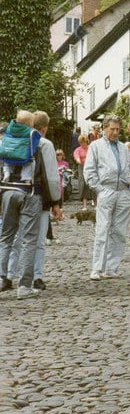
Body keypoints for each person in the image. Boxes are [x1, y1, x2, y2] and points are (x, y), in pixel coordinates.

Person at [0, 110, 62, 298]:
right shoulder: (40, 142)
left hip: (8, 192)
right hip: (30, 193)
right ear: (32, 124)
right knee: (29, 240)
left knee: (6, 237)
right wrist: (56, 201)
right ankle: (24, 286)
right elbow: (51, 176)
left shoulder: (5, 141)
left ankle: (2, 278)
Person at [84, 114, 130, 280]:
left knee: (119, 232)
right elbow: (89, 170)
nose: (115, 132)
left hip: (123, 192)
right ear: (104, 128)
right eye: (112, 129)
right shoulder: (95, 146)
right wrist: (99, 189)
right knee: (102, 229)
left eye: (117, 129)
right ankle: (97, 268)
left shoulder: (123, 148)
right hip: (106, 190)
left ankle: (111, 268)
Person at [73, 134, 95, 211]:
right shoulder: (77, 150)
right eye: (81, 142)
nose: (83, 144)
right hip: (82, 167)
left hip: (91, 167)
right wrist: (78, 160)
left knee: (93, 184)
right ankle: (84, 205)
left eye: (84, 142)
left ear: (87, 141)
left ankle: (95, 204)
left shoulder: (91, 148)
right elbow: (77, 157)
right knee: (83, 185)